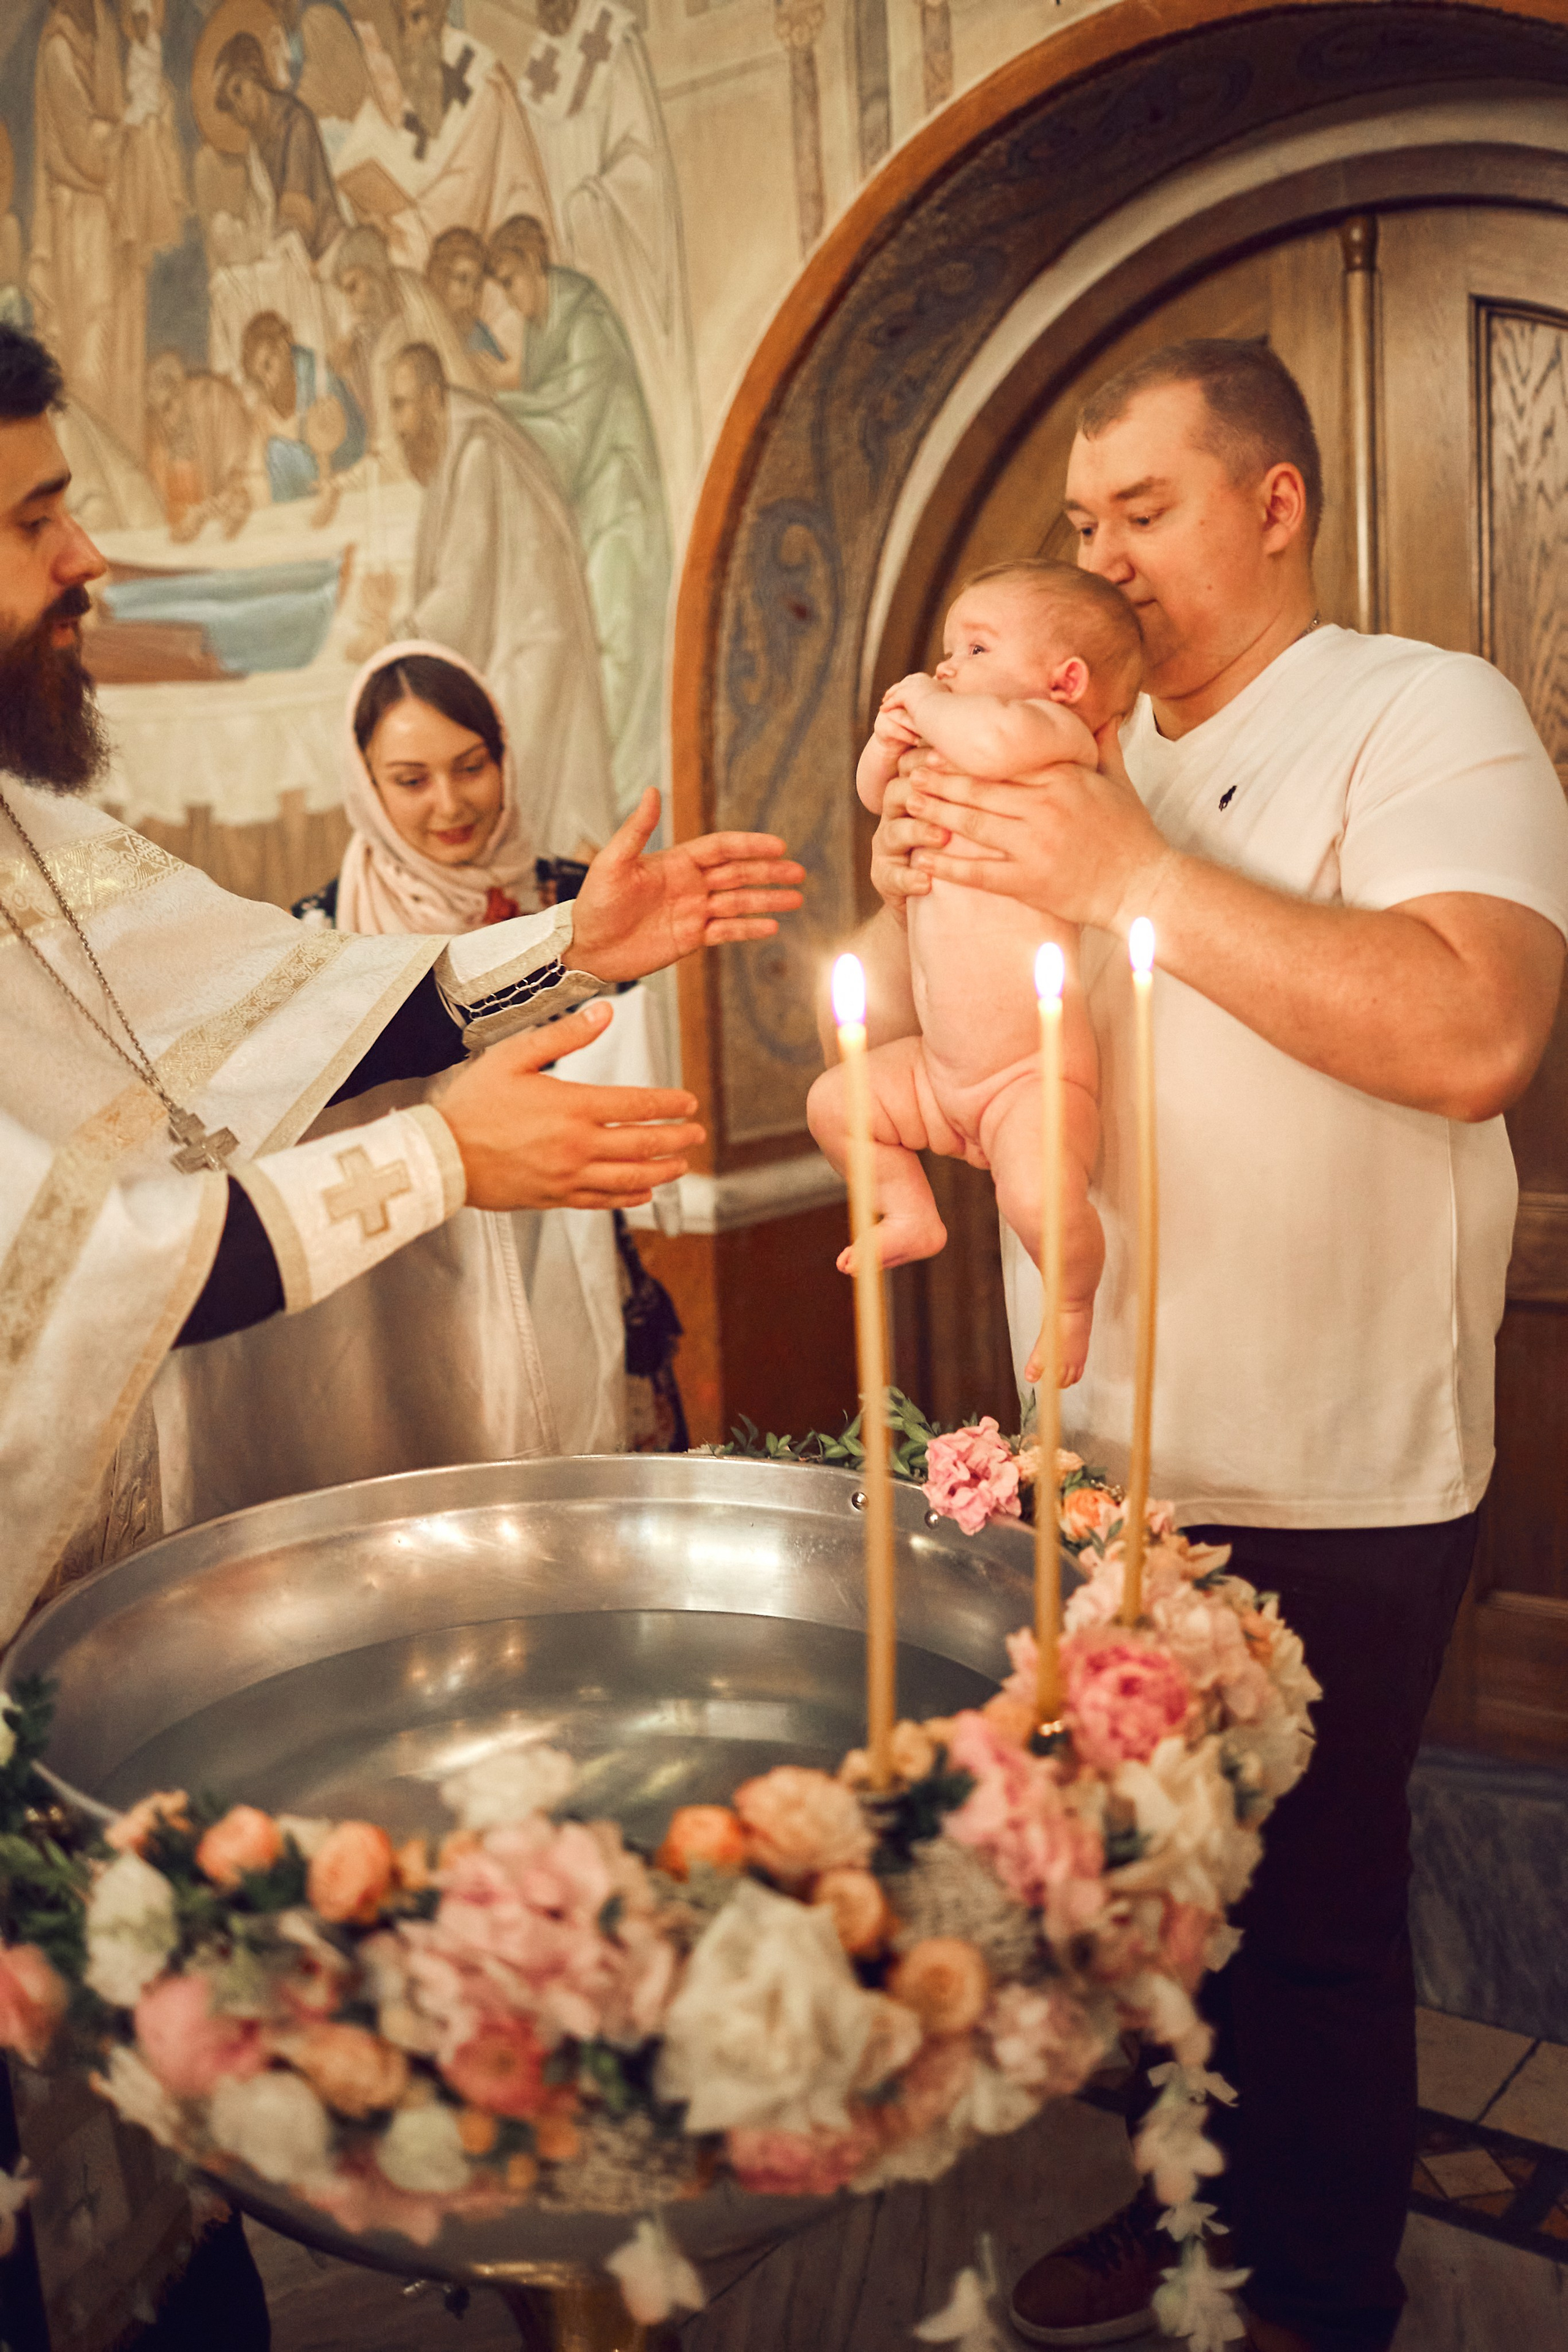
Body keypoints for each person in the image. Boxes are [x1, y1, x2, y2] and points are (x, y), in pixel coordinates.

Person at [0, 318, 801, 2348]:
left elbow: (292, 1012)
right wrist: (444, 1167)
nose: (85, 557)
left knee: (149, 2226)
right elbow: (78, 1269)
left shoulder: (35, 835)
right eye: (32, 518)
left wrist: (567, 951)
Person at [838, 339, 1568, 2352]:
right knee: (1142, 1883)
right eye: (1082, 525)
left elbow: (1473, 1027)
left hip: (1333, 1454)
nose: (1105, 557)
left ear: (1276, 503)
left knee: (1308, 1928)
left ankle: (1321, 2294)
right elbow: (986, 1033)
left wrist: (1135, 872)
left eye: (1143, 512)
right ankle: (1180, 2224)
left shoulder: (1423, 713)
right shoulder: (1074, 740)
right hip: (1101, 1442)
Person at [162, 643, 680, 1516]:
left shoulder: (587, 904)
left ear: (504, 755)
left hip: (580, 1244)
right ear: (363, 782)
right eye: (410, 779)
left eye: (470, 767)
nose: (450, 804)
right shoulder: (322, 941)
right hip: (420, 1264)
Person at [810, 560, 1140, 1381]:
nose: (949, 664)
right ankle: (910, 1209)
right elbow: (871, 794)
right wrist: (888, 748)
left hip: (1032, 1073)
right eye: (950, 649)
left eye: (977, 647)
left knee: (1040, 1201)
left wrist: (924, 702)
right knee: (833, 1103)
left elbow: (992, 739)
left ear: (1064, 682)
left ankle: (1070, 1304)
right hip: (939, 1068)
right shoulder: (956, 741)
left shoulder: (1052, 737)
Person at [385, 340, 620, 860]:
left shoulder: (476, 451)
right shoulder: (462, 443)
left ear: (431, 396)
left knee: (523, 801)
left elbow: (464, 586)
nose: (398, 424)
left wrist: (400, 637)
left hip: (534, 639)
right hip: (523, 635)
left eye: (403, 405)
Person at [486, 212, 671, 825]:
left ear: (534, 263)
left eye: (512, 279)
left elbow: (574, 417)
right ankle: (603, 815)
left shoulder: (583, 314)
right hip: (589, 510)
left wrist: (494, 411)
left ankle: (629, 812)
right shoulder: (544, 326)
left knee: (619, 657)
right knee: (593, 659)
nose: (511, 298)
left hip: (619, 509)